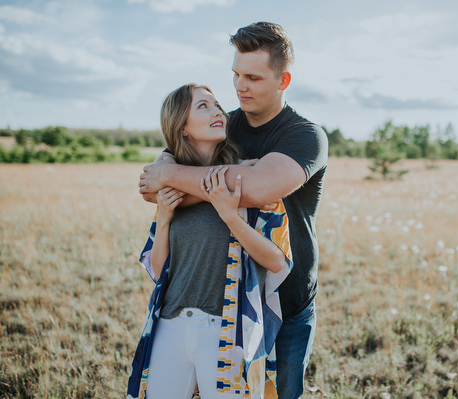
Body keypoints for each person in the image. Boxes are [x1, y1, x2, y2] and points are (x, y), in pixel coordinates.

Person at [138, 22, 328, 398]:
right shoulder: (225, 126)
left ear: (283, 80)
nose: (240, 87)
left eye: (253, 78)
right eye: (236, 75)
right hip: (230, 299)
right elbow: (152, 188)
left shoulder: (306, 136)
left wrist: (172, 174)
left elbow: (255, 190)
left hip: (288, 299)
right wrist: (225, 177)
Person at [128, 83, 293, 399]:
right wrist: (163, 218)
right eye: (203, 106)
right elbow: (159, 270)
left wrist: (230, 215)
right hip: (171, 324)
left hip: (225, 328)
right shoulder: (172, 187)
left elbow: (278, 261)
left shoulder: (249, 180)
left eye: (217, 105)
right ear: (183, 127)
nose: (218, 111)